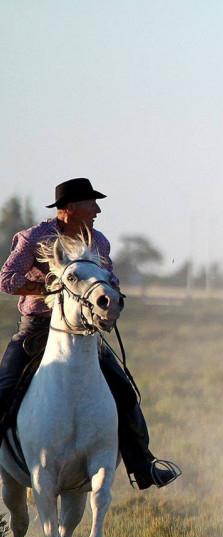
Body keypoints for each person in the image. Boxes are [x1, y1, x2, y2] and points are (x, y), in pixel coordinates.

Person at [0, 178, 179, 489]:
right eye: (91, 203)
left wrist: (108, 293)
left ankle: (144, 465)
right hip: (38, 328)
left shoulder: (99, 242)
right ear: (70, 208)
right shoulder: (34, 238)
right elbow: (6, 280)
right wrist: (51, 287)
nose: (97, 209)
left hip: (84, 330)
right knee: (2, 390)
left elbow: (110, 277)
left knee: (124, 391)